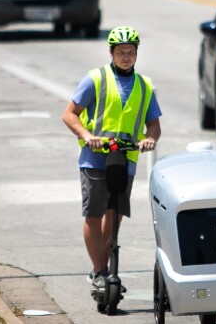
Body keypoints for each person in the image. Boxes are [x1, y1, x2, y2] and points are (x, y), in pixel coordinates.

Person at [61, 26, 162, 291]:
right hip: (94, 158)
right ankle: (99, 271)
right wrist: (86, 134)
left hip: (125, 159)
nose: (126, 57)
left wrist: (150, 139)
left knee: (114, 218)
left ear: (136, 54)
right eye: (121, 52)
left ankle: (104, 270)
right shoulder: (95, 78)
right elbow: (69, 114)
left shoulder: (145, 85)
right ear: (111, 53)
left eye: (131, 52)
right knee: (94, 215)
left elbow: (154, 124)